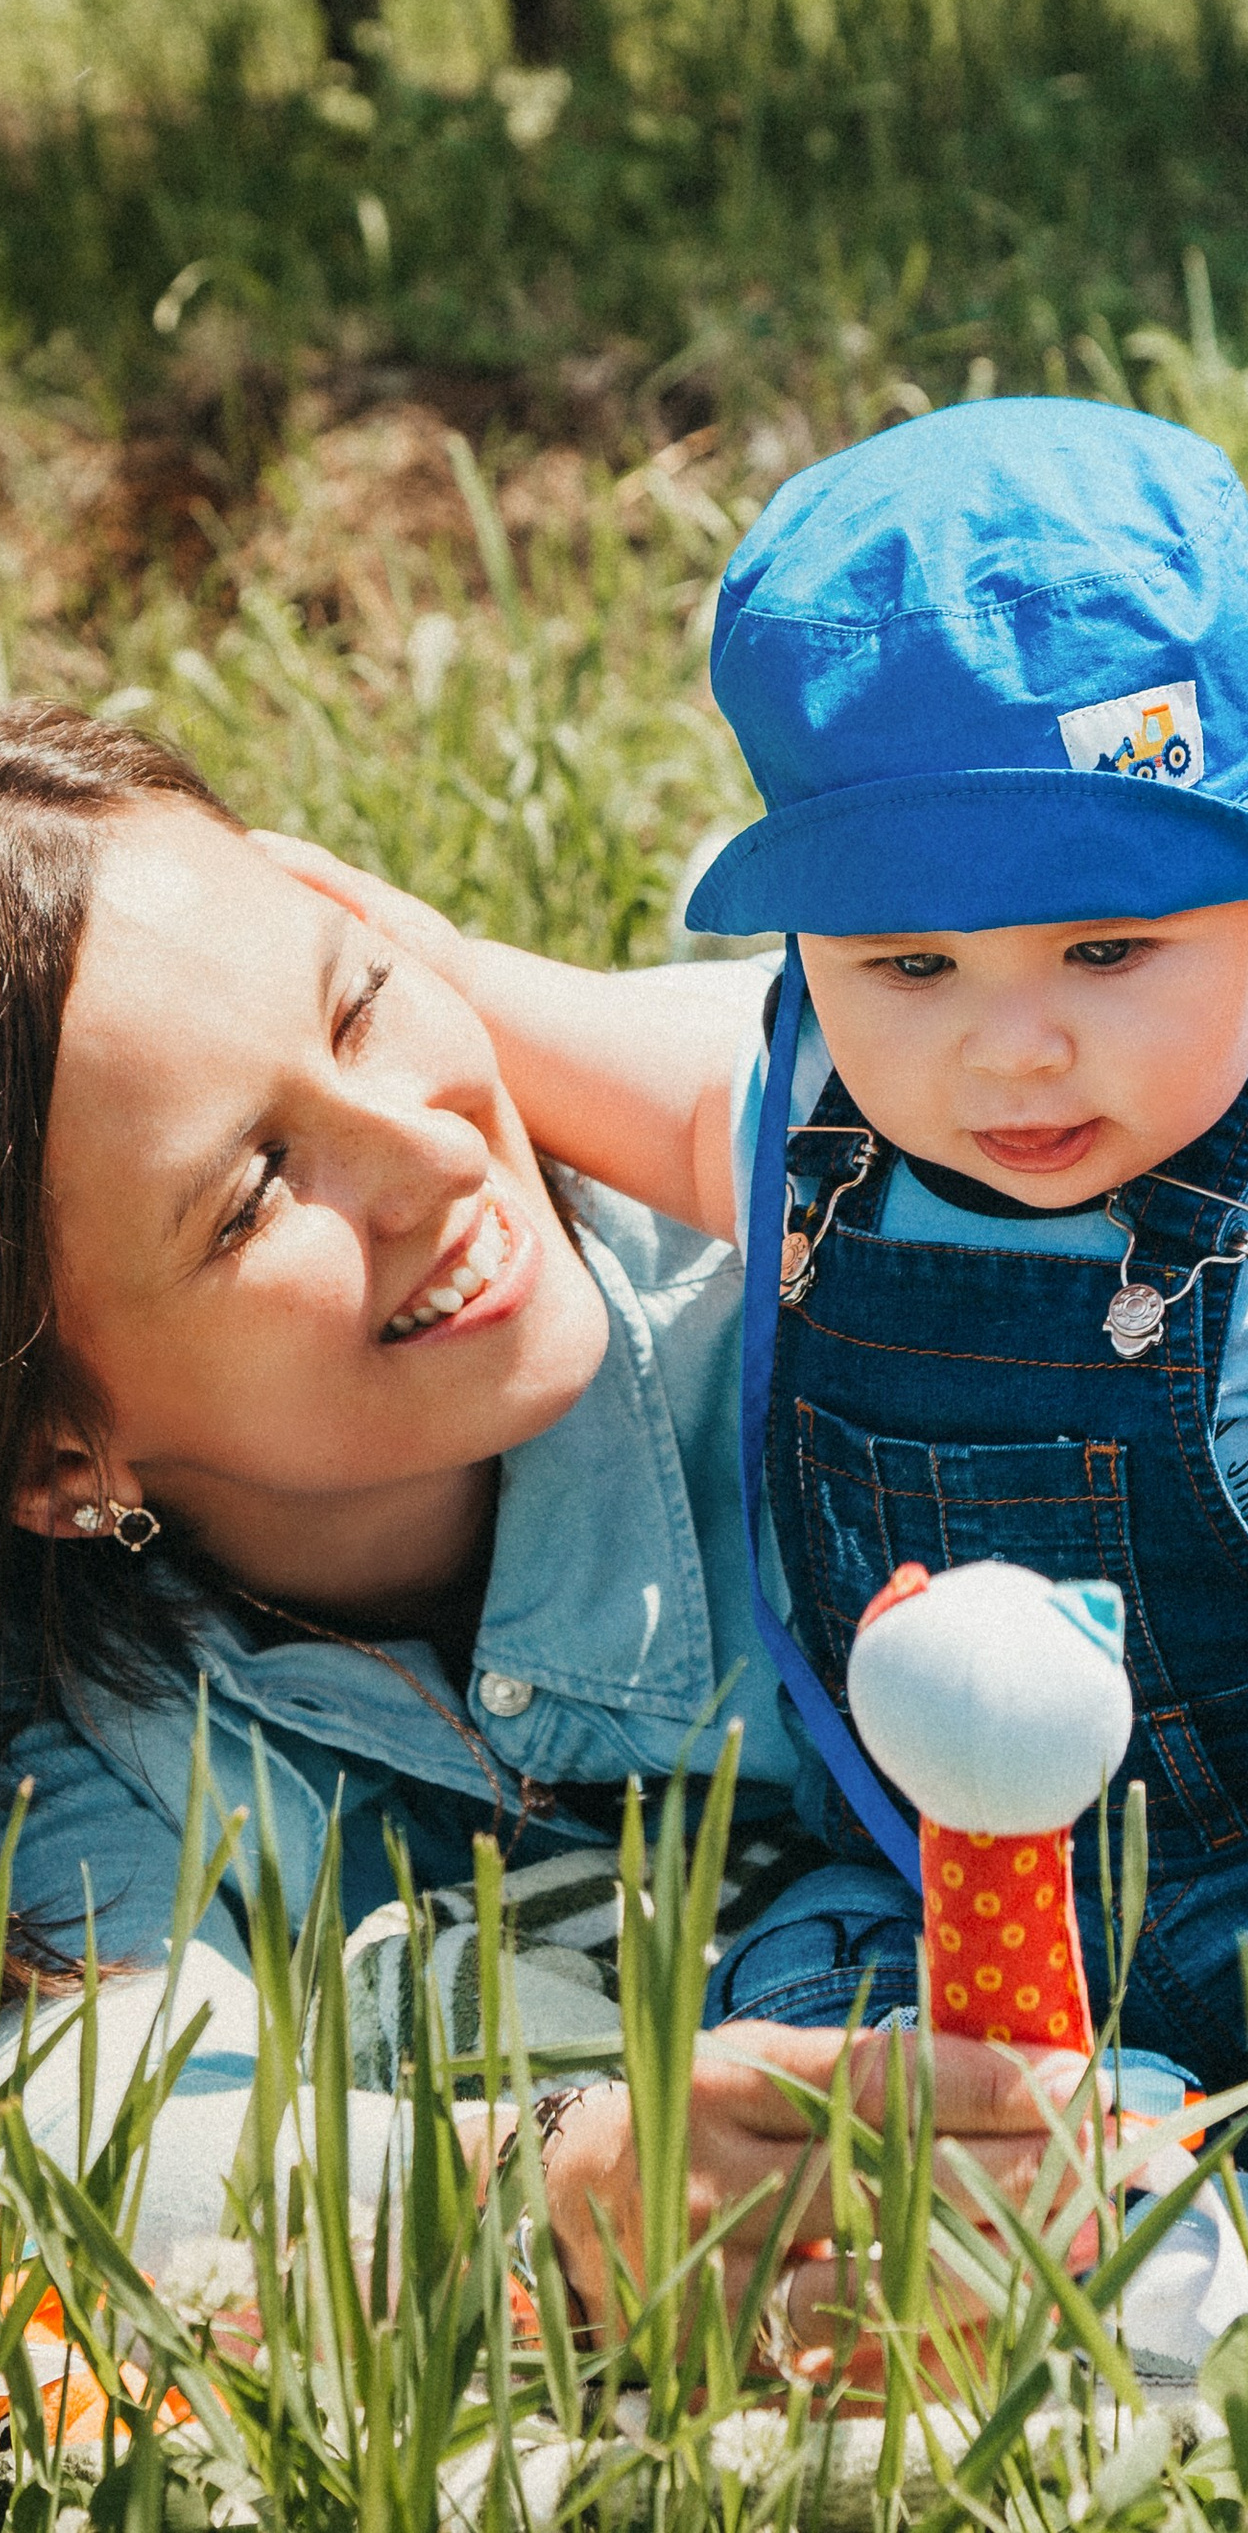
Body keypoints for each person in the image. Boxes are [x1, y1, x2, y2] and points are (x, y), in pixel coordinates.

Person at [293, 398, 1248, 2226]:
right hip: (942, 1875)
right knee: (806, 2036)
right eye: (912, 965)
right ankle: (1143, 2250)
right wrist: (415, 962)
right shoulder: (804, 1125)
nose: (1013, 1049)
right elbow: (588, 1061)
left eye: (1105, 950)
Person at [0, 700, 1065, 2341]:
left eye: (360, 1004)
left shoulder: (825, 1185)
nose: (431, 1150)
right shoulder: (99, 1718)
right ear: (59, 1458)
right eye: (256, 1190)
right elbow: (94, 2146)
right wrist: (547, 2188)